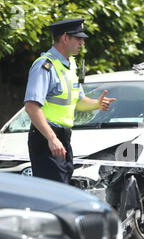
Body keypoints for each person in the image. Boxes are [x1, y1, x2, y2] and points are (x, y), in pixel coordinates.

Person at [24, 18, 116, 184]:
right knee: (53, 193)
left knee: (62, 187)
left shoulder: (71, 64)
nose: (82, 43)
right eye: (78, 38)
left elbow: (78, 102)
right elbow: (31, 106)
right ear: (65, 38)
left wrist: (96, 104)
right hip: (47, 137)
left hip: (63, 136)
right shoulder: (45, 66)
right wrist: (52, 139)